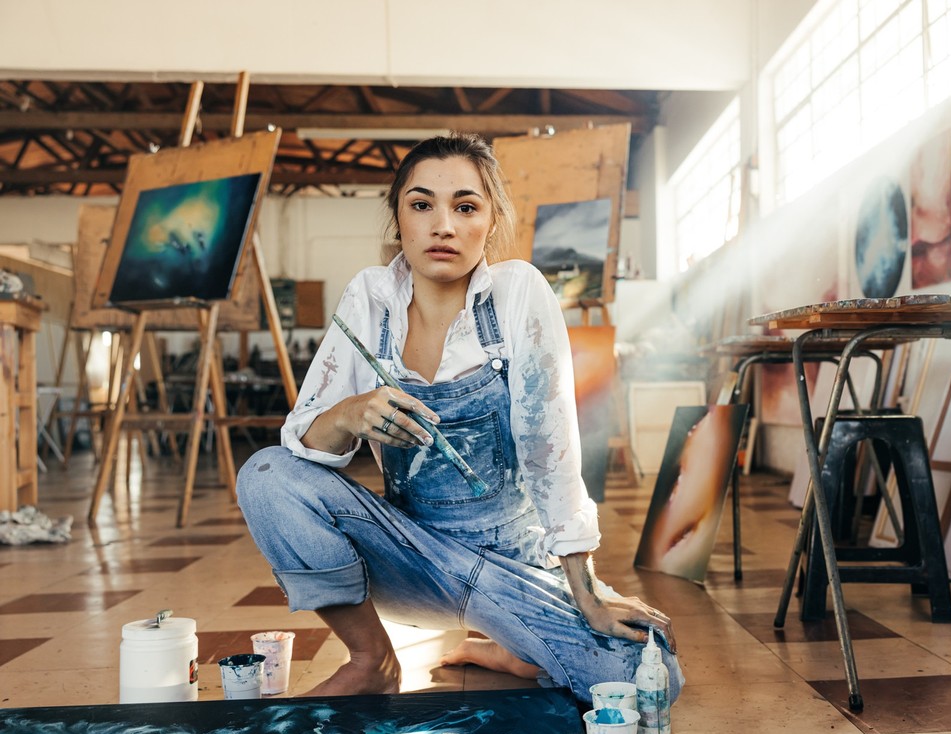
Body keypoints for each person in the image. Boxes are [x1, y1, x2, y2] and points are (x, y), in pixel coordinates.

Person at [237, 133, 682, 704]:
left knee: (650, 678)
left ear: (490, 222)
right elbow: (304, 444)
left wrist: (586, 588)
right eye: (422, 205)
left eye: (465, 207)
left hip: (513, 568)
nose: (442, 225)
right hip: (409, 557)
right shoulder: (369, 299)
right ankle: (372, 660)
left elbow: (552, 446)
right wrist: (350, 411)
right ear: (399, 218)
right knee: (266, 474)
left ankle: (514, 647)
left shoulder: (519, 291)